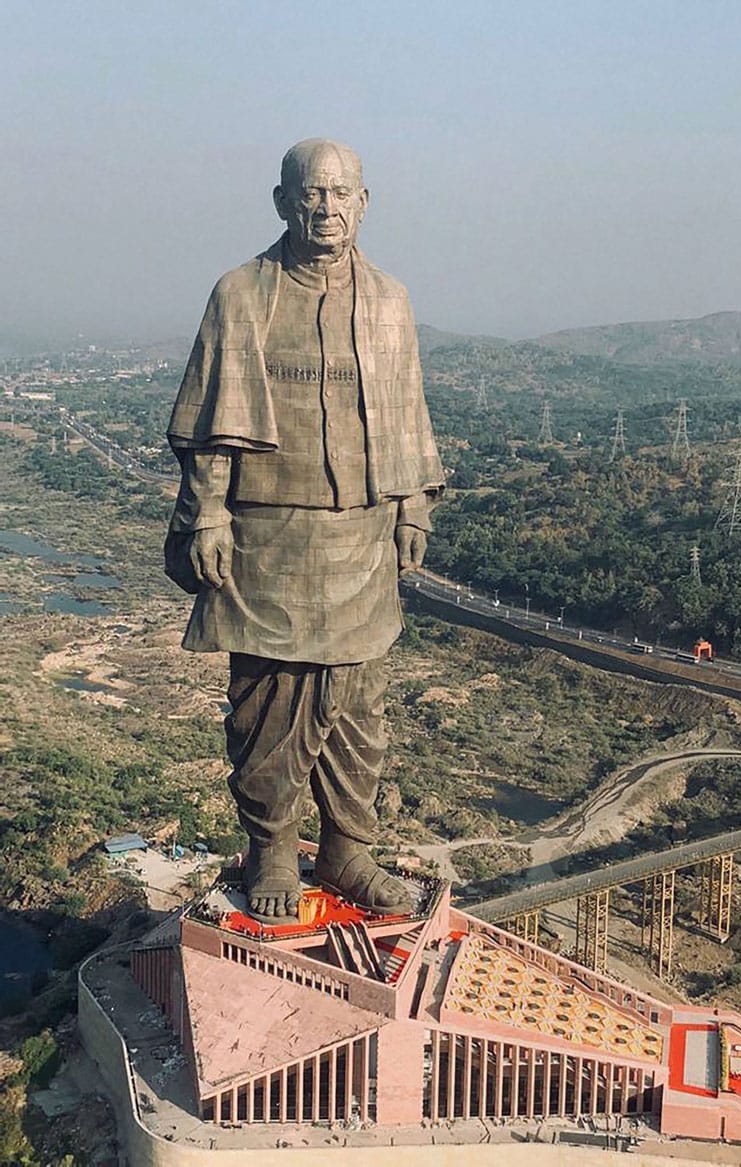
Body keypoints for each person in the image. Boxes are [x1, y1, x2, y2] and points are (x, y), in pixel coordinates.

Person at [164, 138, 443, 922]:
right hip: (268, 535)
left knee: (358, 708)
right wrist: (209, 511)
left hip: (361, 534)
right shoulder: (241, 294)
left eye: (340, 192)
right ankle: (273, 850)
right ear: (283, 202)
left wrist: (411, 507)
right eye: (311, 193)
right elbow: (210, 423)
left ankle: (348, 848)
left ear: (363, 202)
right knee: (267, 703)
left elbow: (407, 410)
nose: (326, 208)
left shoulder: (389, 299)